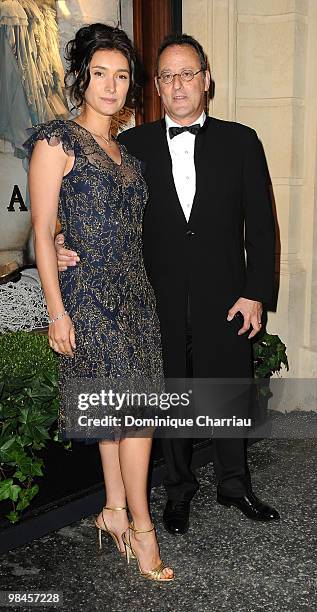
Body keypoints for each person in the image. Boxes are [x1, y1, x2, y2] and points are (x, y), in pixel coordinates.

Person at [56, 32, 280, 536]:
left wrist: (255, 292)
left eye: (188, 73)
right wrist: (54, 241)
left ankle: (234, 483)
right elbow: (84, 204)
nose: (178, 84)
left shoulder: (241, 140)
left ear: (206, 81)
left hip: (226, 294)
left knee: (226, 387)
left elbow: (262, 225)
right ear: (156, 87)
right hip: (152, 298)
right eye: (167, 76)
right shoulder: (128, 146)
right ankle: (178, 491)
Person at [24, 23, 174, 582]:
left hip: (136, 294)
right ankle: (142, 527)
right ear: (81, 78)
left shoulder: (125, 151)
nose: (111, 86)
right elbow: (41, 233)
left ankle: (112, 508)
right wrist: (56, 310)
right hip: (88, 300)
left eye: (122, 76)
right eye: (100, 74)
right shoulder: (55, 142)